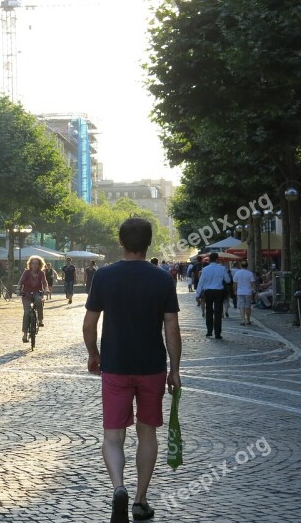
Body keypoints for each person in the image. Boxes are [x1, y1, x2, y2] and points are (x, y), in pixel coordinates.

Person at [82, 217, 181, 522]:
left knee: (113, 436)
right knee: (147, 432)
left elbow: (89, 324)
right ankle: (140, 500)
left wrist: (94, 354)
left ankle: (118, 489)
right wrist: (174, 369)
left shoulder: (104, 276)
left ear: (121, 242)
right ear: (148, 243)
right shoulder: (164, 278)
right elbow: (172, 328)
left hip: (116, 365)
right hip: (151, 366)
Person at [195, 252, 231, 339]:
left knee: (209, 311)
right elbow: (228, 280)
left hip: (208, 292)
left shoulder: (205, 269)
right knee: (218, 313)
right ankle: (218, 333)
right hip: (219, 292)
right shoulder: (222, 268)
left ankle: (209, 331)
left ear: (209, 259)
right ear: (217, 259)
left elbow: (201, 282)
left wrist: (198, 294)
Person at [18, 255, 47, 342]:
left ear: (39, 265)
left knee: (39, 300)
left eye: (36, 264)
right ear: (30, 264)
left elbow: (45, 283)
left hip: (37, 292)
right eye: (33, 263)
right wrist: (18, 289)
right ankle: (25, 334)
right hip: (26, 294)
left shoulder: (41, 273)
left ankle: (40, 319)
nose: (34, 265)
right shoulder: (26, 272)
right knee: (26, 313)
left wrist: (46, 290)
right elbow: (21, 281)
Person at [233, 261, 257, 325]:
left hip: (240, 292)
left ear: (241, 266)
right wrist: (255, 290)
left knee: (241, 307)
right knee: (248, 306)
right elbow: (252, 283)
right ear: (247, 266)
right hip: (248, 292)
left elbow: (235, 283)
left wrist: (234, 290)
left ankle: (243, 320)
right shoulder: (250, 273)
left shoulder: (237, 273)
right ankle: (248, 320)